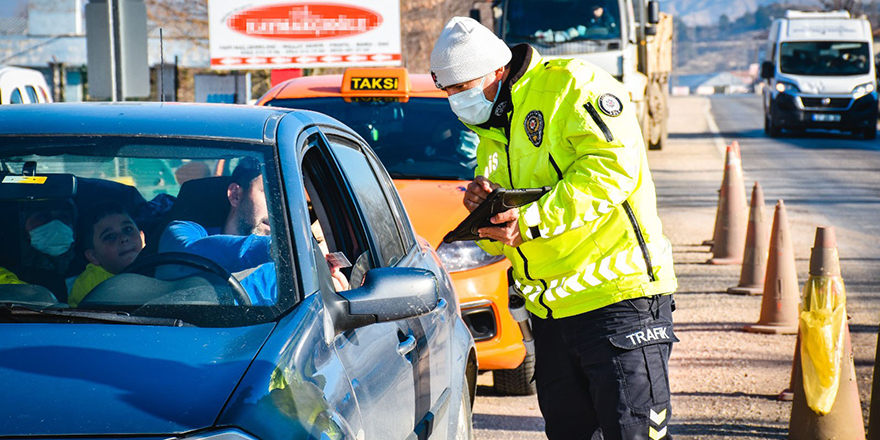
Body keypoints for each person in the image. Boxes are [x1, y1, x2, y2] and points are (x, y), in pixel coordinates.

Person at [430, 17, 677, 440]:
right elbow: (524, 198)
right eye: (448, 91)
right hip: (551, 312)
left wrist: (530, 223)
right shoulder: (492, 129)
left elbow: (612, 168)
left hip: (618, 300)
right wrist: (486, 204)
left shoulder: (573, 86)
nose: (457, 99)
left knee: (632, 433)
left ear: (497, 70)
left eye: (462, 87)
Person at [69, 202, 145, 307]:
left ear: (142, 237)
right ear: (93, 256)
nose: (123, 238)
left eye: (128, 229)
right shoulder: (88, 285)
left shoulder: (162, 266)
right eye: (110, 236)